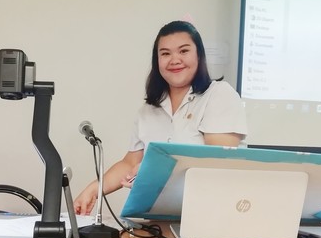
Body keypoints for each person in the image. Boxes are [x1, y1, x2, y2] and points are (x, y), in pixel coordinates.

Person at [73, 20, 247, 215]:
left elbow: (217, 159)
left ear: (199, 55)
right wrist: (93, 189)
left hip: (211, 214)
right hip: (158, 215)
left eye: (183, 51)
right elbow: (130, 163)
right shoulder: (148, 110)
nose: (174, 60)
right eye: (165, 54)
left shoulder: (219, 94)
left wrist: (153, 170)